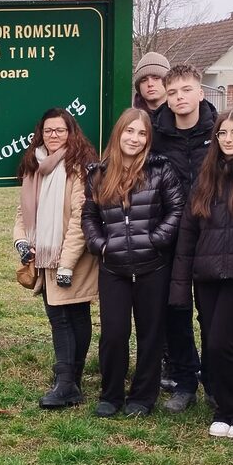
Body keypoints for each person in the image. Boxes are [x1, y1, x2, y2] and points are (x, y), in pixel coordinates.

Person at [82, 107, 184, 417]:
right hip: (113, 267)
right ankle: (111, 394)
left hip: (153, 265)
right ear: (118, 133)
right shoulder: (98, 174)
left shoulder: (160, 170)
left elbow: (176, 209)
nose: (134, 138)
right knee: (114, 333)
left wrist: (155, 240)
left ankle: (143, 396)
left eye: (142, 133)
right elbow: (89, 216)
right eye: (129, 131)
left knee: (150, 334)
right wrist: (101, 245)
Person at [170, 108, 233, 438]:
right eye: (222, 133)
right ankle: (225, 408)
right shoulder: (206, 176)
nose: (228, 139)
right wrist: (180, 286)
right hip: (206, 275)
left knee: (222, 343)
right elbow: (188, 234)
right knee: (211, 344)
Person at [13, 108, 99, 409]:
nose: (54, 136)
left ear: (71, 133)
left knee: (71, 316)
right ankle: (68, 380)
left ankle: (68, 383)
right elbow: (23, 212)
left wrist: (66, 264)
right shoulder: (34, 166)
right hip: (43, 255)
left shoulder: (79, 167)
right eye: (48, 130)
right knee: (60, 317)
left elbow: (80, 218)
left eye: (60, 130)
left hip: (72, 255)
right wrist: (21, 241)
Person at [151, 63, 217, 412]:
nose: (180, 98)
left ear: (200, 92)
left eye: (186, 90)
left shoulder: (220, 130)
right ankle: (184, 380)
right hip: (172, 234)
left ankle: (216, 382)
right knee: (175, 309)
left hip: (211, 234)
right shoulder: (156, 134)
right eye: (173, 92)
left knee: (211, 313)